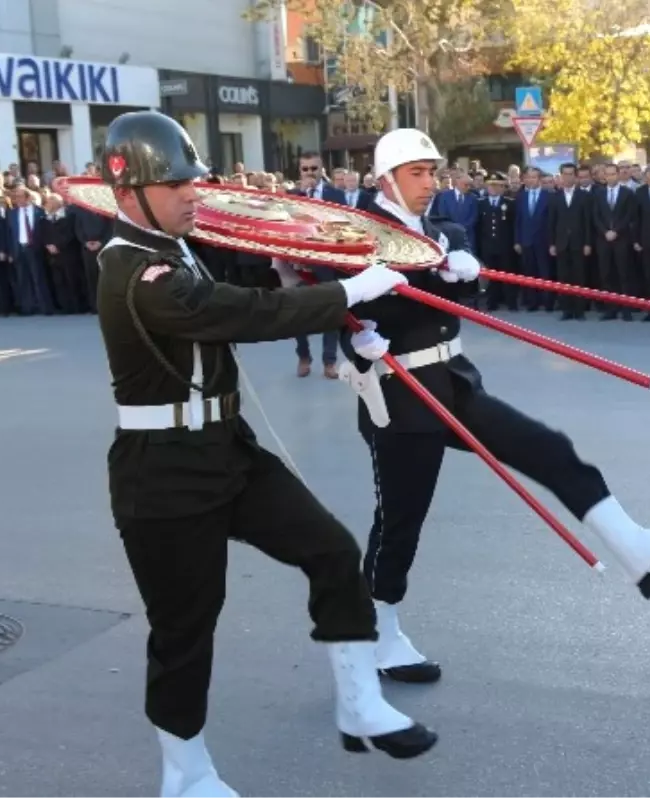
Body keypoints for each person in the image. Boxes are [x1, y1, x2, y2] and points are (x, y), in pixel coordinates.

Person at [94, 111, 437, 798]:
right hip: (162, 471)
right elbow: (236, 314)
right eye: (176, 183)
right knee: (185, 629)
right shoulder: (135, 270)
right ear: (127, 191)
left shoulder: (174, 244)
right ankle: (185, 775)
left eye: (194, 179)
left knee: (332, 551)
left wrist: (339, 307)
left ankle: (358, 701)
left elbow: (252, 288)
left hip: (227, 448)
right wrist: (345, 290)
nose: (196, 194)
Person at [334, 129, 650, 684]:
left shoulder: (446, 230)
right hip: (400, 391)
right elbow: (329, 303)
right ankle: (379, 636)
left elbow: (456, 294)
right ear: (386, 178)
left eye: (433, 172)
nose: (430, 184)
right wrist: (355, 342)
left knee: (547, 447)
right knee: (399, 523)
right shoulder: (355, 236)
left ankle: (636, 548)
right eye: (417, 173)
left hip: (454, 381)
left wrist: (465, 271)